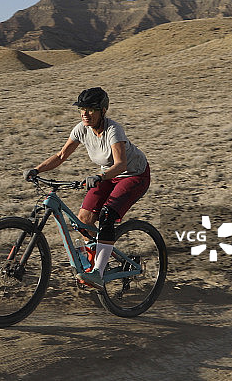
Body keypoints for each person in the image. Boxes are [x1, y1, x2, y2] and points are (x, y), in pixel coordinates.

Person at [23, 87, 150, 291]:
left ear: (103, 111)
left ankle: (98, 273)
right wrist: (36, 170)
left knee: (107, 215)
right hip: (109, 175)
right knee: (83, 219)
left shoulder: (113, 130)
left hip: (134, 175)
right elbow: (61, 156)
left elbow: (121, 165)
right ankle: (93, 264)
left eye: (91, 109)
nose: (85, 113)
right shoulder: (81, 129)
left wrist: (99, 177)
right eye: (82, 109)